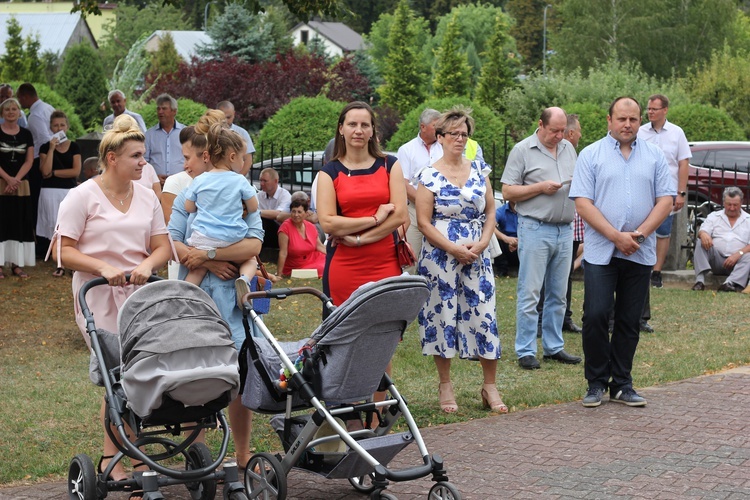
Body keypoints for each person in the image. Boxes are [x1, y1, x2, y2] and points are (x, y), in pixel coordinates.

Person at [51, 114, 173, 492]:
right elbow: (62, 250)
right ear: (112, 158)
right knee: (117, 377)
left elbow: (162, 247)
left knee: (140, 374)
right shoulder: (81, 196)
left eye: (143, 156)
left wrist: (147, 265)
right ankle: (117, 458)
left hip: (140, 297)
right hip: (97, 296)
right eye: (136, 156)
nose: (143, 162)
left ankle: (125, 456)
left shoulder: (148, 196)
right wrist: (102, 266)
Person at [168, 125, 263, 473]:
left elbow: (254, 242)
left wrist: (207, 253)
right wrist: (215, 258)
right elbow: (175, 244)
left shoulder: (216, 188)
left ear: (209, 156)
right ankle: (201, 458)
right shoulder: (188, 194)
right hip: (200, 299)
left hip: (233, 300)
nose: (191, 164)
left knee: (239, 375)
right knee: (197, 375)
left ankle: (241, 456)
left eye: (194, 157)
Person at [570, 96, 673, 408]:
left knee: (629, 320)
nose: (627, 125)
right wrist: (616, 236)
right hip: (602, 250)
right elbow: (582, 203)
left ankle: (622, 384)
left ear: (640, 120)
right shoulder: (591, 155)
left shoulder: (655, 156)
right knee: (597, 315)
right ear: (609, 120)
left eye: (633, 119)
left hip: (639, 252)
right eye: (621, 119)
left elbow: (665, 201)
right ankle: (596, 382)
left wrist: (638, 235)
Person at [317, 101, 407, 412]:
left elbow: (399, 216)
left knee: (383, 340)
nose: (358, 130)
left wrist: (358, 238)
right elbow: (328, 221)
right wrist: (373, 219)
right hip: (343, 267)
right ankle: (348, 409)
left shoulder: (389, 165)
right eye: (352, 124)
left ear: (372, 131)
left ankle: (378, 410)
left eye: (364, 125)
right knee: (346, 338)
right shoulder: (329, 172)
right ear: (341, 129)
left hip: (384, 262)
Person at [415, 106, 505, 414]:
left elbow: (491, 210)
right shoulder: (428, 175)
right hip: (440, 257)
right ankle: (445, 385)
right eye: (454, 133)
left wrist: (480, 244)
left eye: (464, 135)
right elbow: (424, 222)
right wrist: (453, 249)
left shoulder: (480, 170)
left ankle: (489, 386)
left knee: (483, 314)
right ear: (439, 137)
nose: (460, 139)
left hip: (477, 255)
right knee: (443, 316)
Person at [501, 107, 582, 370]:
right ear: (540, 125)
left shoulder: (569, 148)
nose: (560, 136)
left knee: (559, 293)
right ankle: (525, 349)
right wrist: (540, 187)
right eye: (554, 131)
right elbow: (507, 191)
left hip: (564, 228)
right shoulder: (523, 150)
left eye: (563, 131)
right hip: (535, 227)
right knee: (531, 291)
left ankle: (553, 346)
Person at [182, 124, 259, 306]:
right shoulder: (239, 180)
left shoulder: (200, 180)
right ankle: (244, 280)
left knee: (196, 271)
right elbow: (254, 206)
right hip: (232, 239)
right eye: (242, 158)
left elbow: (189, 207)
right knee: (250, 259)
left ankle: (182, 295)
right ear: (232, 157)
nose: (243, 162)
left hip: (203, 239)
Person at [637, 94, 691, 333]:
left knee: (663, 231)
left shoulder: (676, 133)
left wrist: (680, 192)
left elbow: (683, 163)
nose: (650, 112)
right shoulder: (640, 131)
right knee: (643, 230)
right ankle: (643, 266)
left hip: (666, 192)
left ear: (665, 110)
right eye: (648, 109)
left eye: (654, 109)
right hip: (644, 190)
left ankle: (656, 271)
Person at [396, 108, 443, 272]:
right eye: (436, 126)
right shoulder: (407, 150)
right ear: (423, 127)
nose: (440, 130)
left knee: (439, 261)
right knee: (411, 259)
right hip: (414, 211)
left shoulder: (445, 148)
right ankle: (407, 294)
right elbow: (403, 183)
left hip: (441, 211)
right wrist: (426, 203)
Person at [37, 110, 81, 277]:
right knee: (53, 227)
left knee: (68, 227)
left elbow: (75, 171)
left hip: (68, 191)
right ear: (50, 127)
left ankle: (71, 261)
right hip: (49, 192)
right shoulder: (45, 147)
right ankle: (59, 263)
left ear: (67, 126)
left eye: (62, 124)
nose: (59, 127)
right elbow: (44, 171)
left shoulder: (74, 146)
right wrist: (51, 149)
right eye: (55, 125)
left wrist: (55, 173)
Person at [0, 98, 35, 279]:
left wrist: (16, 180)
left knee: (19, 221)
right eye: (7, 109)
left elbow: (29, 160)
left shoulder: (26, 134)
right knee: (1, 222)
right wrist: (7, 179)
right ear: (2, 113)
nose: (11, 112)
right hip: (1, 182)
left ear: (19, 112)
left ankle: (16, 264)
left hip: (21, 184)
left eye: (14, 109)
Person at [691, 187, 750, 292]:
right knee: (700, 242)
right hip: (716, 259)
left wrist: (738, 254)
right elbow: (703, 230)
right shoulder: (714, 216)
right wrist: (703, 234)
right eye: (729, 204)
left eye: (735, 205)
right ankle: (699, 282)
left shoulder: (748, 220)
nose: (732, 208)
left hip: (738, 261)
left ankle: (729, 284)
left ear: (741, 203)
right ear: (723, 202)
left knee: (748, 256)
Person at [16, 83, 54, 242]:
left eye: (19, 98)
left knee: (37, 201)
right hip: (49, 159)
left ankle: (41, 240)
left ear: (25, 96)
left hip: (40, 160)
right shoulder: (47, 107)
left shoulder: (35, 115)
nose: (19, 102)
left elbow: (45, 140)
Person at [277, 197, 326, 277]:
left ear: (306, 213)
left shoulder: (311, 226)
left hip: (313, 258)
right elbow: (283, 252)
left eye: (299, 212)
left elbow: (319, 246)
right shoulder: (285, 227)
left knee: (329, 262)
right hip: (296, 266)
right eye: (293, 211)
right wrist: (279, 274)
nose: (296, 215)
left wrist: (334, 256)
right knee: (323, 267)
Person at [144, 94, 184, 186]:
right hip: (156, 185)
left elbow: (191, 158)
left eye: (164, 108)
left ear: (174, 111)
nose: (160, 111)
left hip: (180, 185)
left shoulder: (184, 132)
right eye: (158, 109)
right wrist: (154, 177)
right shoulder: (149, 134)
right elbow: (144, 161)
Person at [217, 100, 256, 173]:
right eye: (223, 117)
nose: (226, 121)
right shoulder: (211, 133)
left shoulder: (242, 133)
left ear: (234, 114)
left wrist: (239, 178)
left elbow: (248, 160)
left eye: (229, 117)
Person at [257, 167, 291, 249]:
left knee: (264, 220)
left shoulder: (285, 195)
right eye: (260, 180)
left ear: (275, 181)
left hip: (281, 232)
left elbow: (279, 215)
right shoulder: (259, 196)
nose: (261, 184)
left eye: (265, 181)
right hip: (263, 232)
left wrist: (257, 212)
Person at [494, 200, 518, 277]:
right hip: (507, 246)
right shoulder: (501, 211)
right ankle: (502, 270)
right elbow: (490, 225)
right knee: (494, 235)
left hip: (524, 243)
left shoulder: (529, 211)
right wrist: (505, 238)